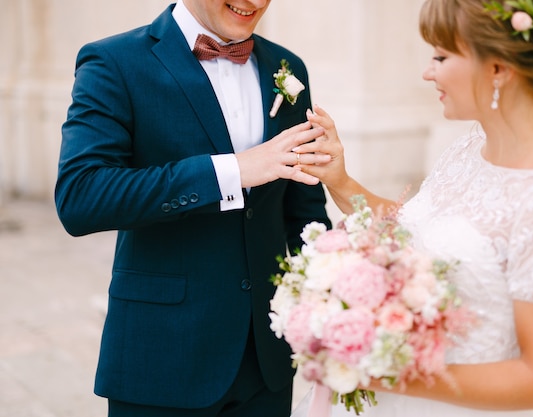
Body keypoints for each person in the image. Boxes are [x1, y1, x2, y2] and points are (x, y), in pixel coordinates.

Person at [293, 0, 533, 415]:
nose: (427, 71)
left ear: (498, 68)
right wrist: (340, 180)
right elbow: (414, 236)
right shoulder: (471, 146)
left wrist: (375, 367)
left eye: (441, 56)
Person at [55, 1, 332, 416]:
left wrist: (337, 300)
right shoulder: (114, 61)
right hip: (164, 359)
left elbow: (304, 211)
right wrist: (231, 172)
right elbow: (81, 196)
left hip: (268, 362)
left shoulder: (288, 68)